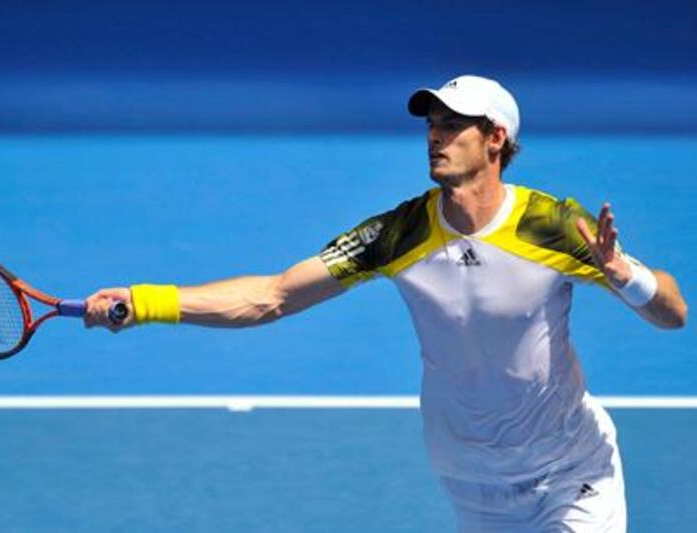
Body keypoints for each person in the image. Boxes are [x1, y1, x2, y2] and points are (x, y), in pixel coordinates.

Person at [84, 75, 687, 531]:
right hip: (470, 479)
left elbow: (673, 312)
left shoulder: (553, 225)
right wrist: (144, 301)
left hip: (571, 470)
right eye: (431, 123)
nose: (435, 135)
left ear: (496, 138)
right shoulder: (397, 234)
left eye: (453, 125)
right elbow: (271, 297)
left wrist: (622, 273)